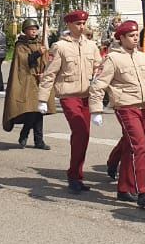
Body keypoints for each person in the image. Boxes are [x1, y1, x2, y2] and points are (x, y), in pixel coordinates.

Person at [89, 20, 145, 208]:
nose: (135, 38)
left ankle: (123, 188)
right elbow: (98, 85)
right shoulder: (112, 59)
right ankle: (141, 191)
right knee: (139, 146)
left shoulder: (144, 57)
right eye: (131, 35)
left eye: (137, 34)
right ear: (121, 38)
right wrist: (96, 110)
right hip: (126, 107)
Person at [38, 10, 102, 192]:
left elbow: (99, 66)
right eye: (77, 24)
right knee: (80, 131)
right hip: (69, 95)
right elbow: (50, 74)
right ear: (69, 25)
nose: (81, 27)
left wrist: (99, 72)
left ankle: (76, 175)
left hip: (87, 96)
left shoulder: (91, 45)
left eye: (83, 24)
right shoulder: (60, 47)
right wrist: (42, 98)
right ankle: (74, 176)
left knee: (84, 137)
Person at [2, 19, 54, 150]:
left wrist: (44, 72)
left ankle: (39, 140)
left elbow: (46, 62)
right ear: (25, 31)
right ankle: (24, 133)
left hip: (39, 81)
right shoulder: (21, 45)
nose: (34, 31)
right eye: (31, 29)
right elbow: (24, 62)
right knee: (31, 110)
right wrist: (38, 53)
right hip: (26, 80)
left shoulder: (40, 43)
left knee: (39, 111)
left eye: (35, 29)